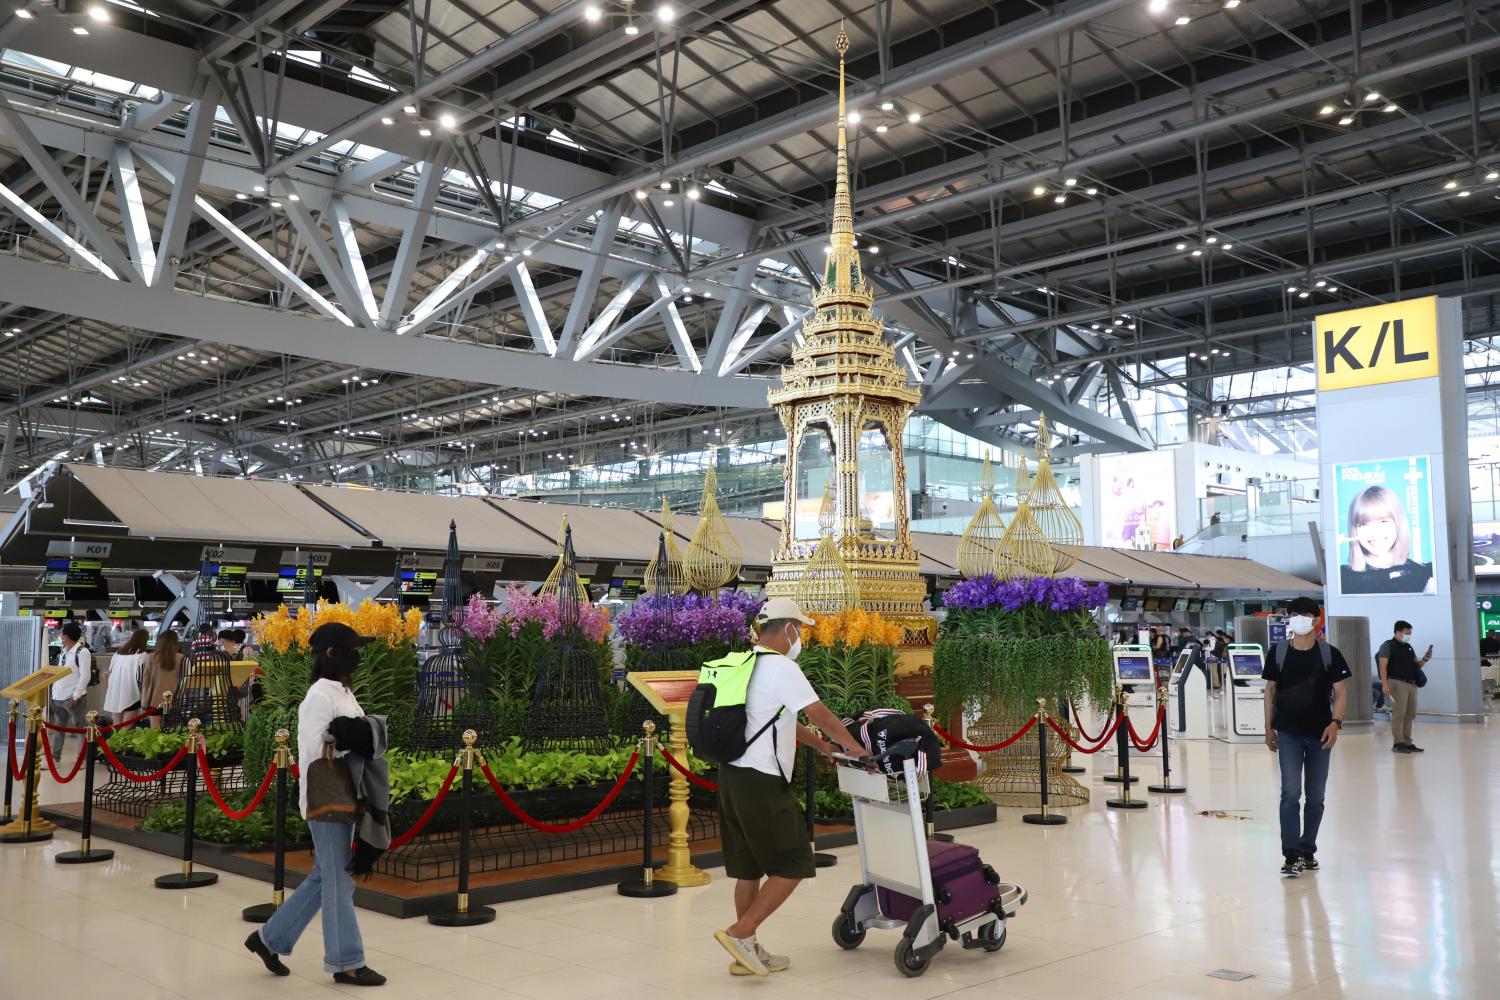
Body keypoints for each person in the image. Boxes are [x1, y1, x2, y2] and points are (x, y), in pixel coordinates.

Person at [712, 598, 868, 978]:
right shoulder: (782, 667)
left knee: (748, 870)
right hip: (763, 781)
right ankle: (741, 932)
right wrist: (855, 747)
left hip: (731, 776)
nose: (801, 639)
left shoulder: (739, 662)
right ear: (789, 630)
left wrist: (820, 746)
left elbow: (777, 719)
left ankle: (746, 953)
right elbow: (819, 713)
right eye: (801, 631)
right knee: (796, 861)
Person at [244, 622, 387, 987]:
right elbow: (314, 751)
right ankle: (346, 961)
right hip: (326, 797)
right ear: (330, 654)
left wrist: (355, 733)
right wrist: (355, 735)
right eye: (351, 649)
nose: (357, 656)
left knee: (326, 876)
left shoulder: (342, 691)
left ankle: (269, 940)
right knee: (339, 879)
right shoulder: (319, 696)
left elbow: (356, 734)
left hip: (344, 795)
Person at [1263, 596, 1350, 878]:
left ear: (1316, 620)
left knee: (1315, 796)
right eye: (1295, 614)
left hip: (1320, 733)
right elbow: (1270, 691)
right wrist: (1268, 727)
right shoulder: (1278, 652)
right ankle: (1291, 854)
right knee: (1290, 793)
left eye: (1305, 614)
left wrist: (1335, 723)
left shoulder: (1329, 654)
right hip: (1287, 732)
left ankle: (1307, 849)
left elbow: (1340, 694)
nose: (1299, 619)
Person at [1339, 485, 1435, 595]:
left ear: (1398, 524)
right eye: (1364, 524)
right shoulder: (1342, 577)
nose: (1374, 532)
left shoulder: (1426, 574)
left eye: (1383, 522)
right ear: (1354, 529)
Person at [1377, 620, 1432, 754]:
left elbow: (1417, 665)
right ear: (1397, 632)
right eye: (1407, 633)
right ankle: (1398, 743)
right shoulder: (1387, 646)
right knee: (1399, 713)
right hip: (1397, 682)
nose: (1409, 635)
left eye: (1410, 633)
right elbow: (1382, 666)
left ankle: (1408, 742)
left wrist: (1425, 659)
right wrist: (1384, 684)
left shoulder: (1408, 646)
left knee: (1410, 714)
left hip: (1411, 683)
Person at [48, 622, 92, 760]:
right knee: (58, 729)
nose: (60, 635)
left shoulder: (82, 652)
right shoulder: (63, 651)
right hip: (59, 697)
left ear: (66, 636)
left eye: (61, 633)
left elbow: (85, 676)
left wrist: (76, 696)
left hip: (73, 698)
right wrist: (54, 693)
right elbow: (59, 674)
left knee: (80, 729)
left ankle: (83, 758)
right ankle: (55, 757)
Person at [102, 628, 150, 725]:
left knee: (116, 726)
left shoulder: (118, 653)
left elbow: (109, 674)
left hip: (115, 693)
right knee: (127, 727)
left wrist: (108, 692)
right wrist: (144, 697)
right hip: (132, 695)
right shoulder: (142, 655)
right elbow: (141, 678)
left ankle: (112, 740)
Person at [140, 629, 183, 728]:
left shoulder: (151, 657)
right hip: (174, 699)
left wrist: (144, 698)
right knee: (170, 730)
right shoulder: (182, 658)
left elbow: (146, 680)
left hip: (154, 699)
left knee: (155, 729)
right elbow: (185, 680)